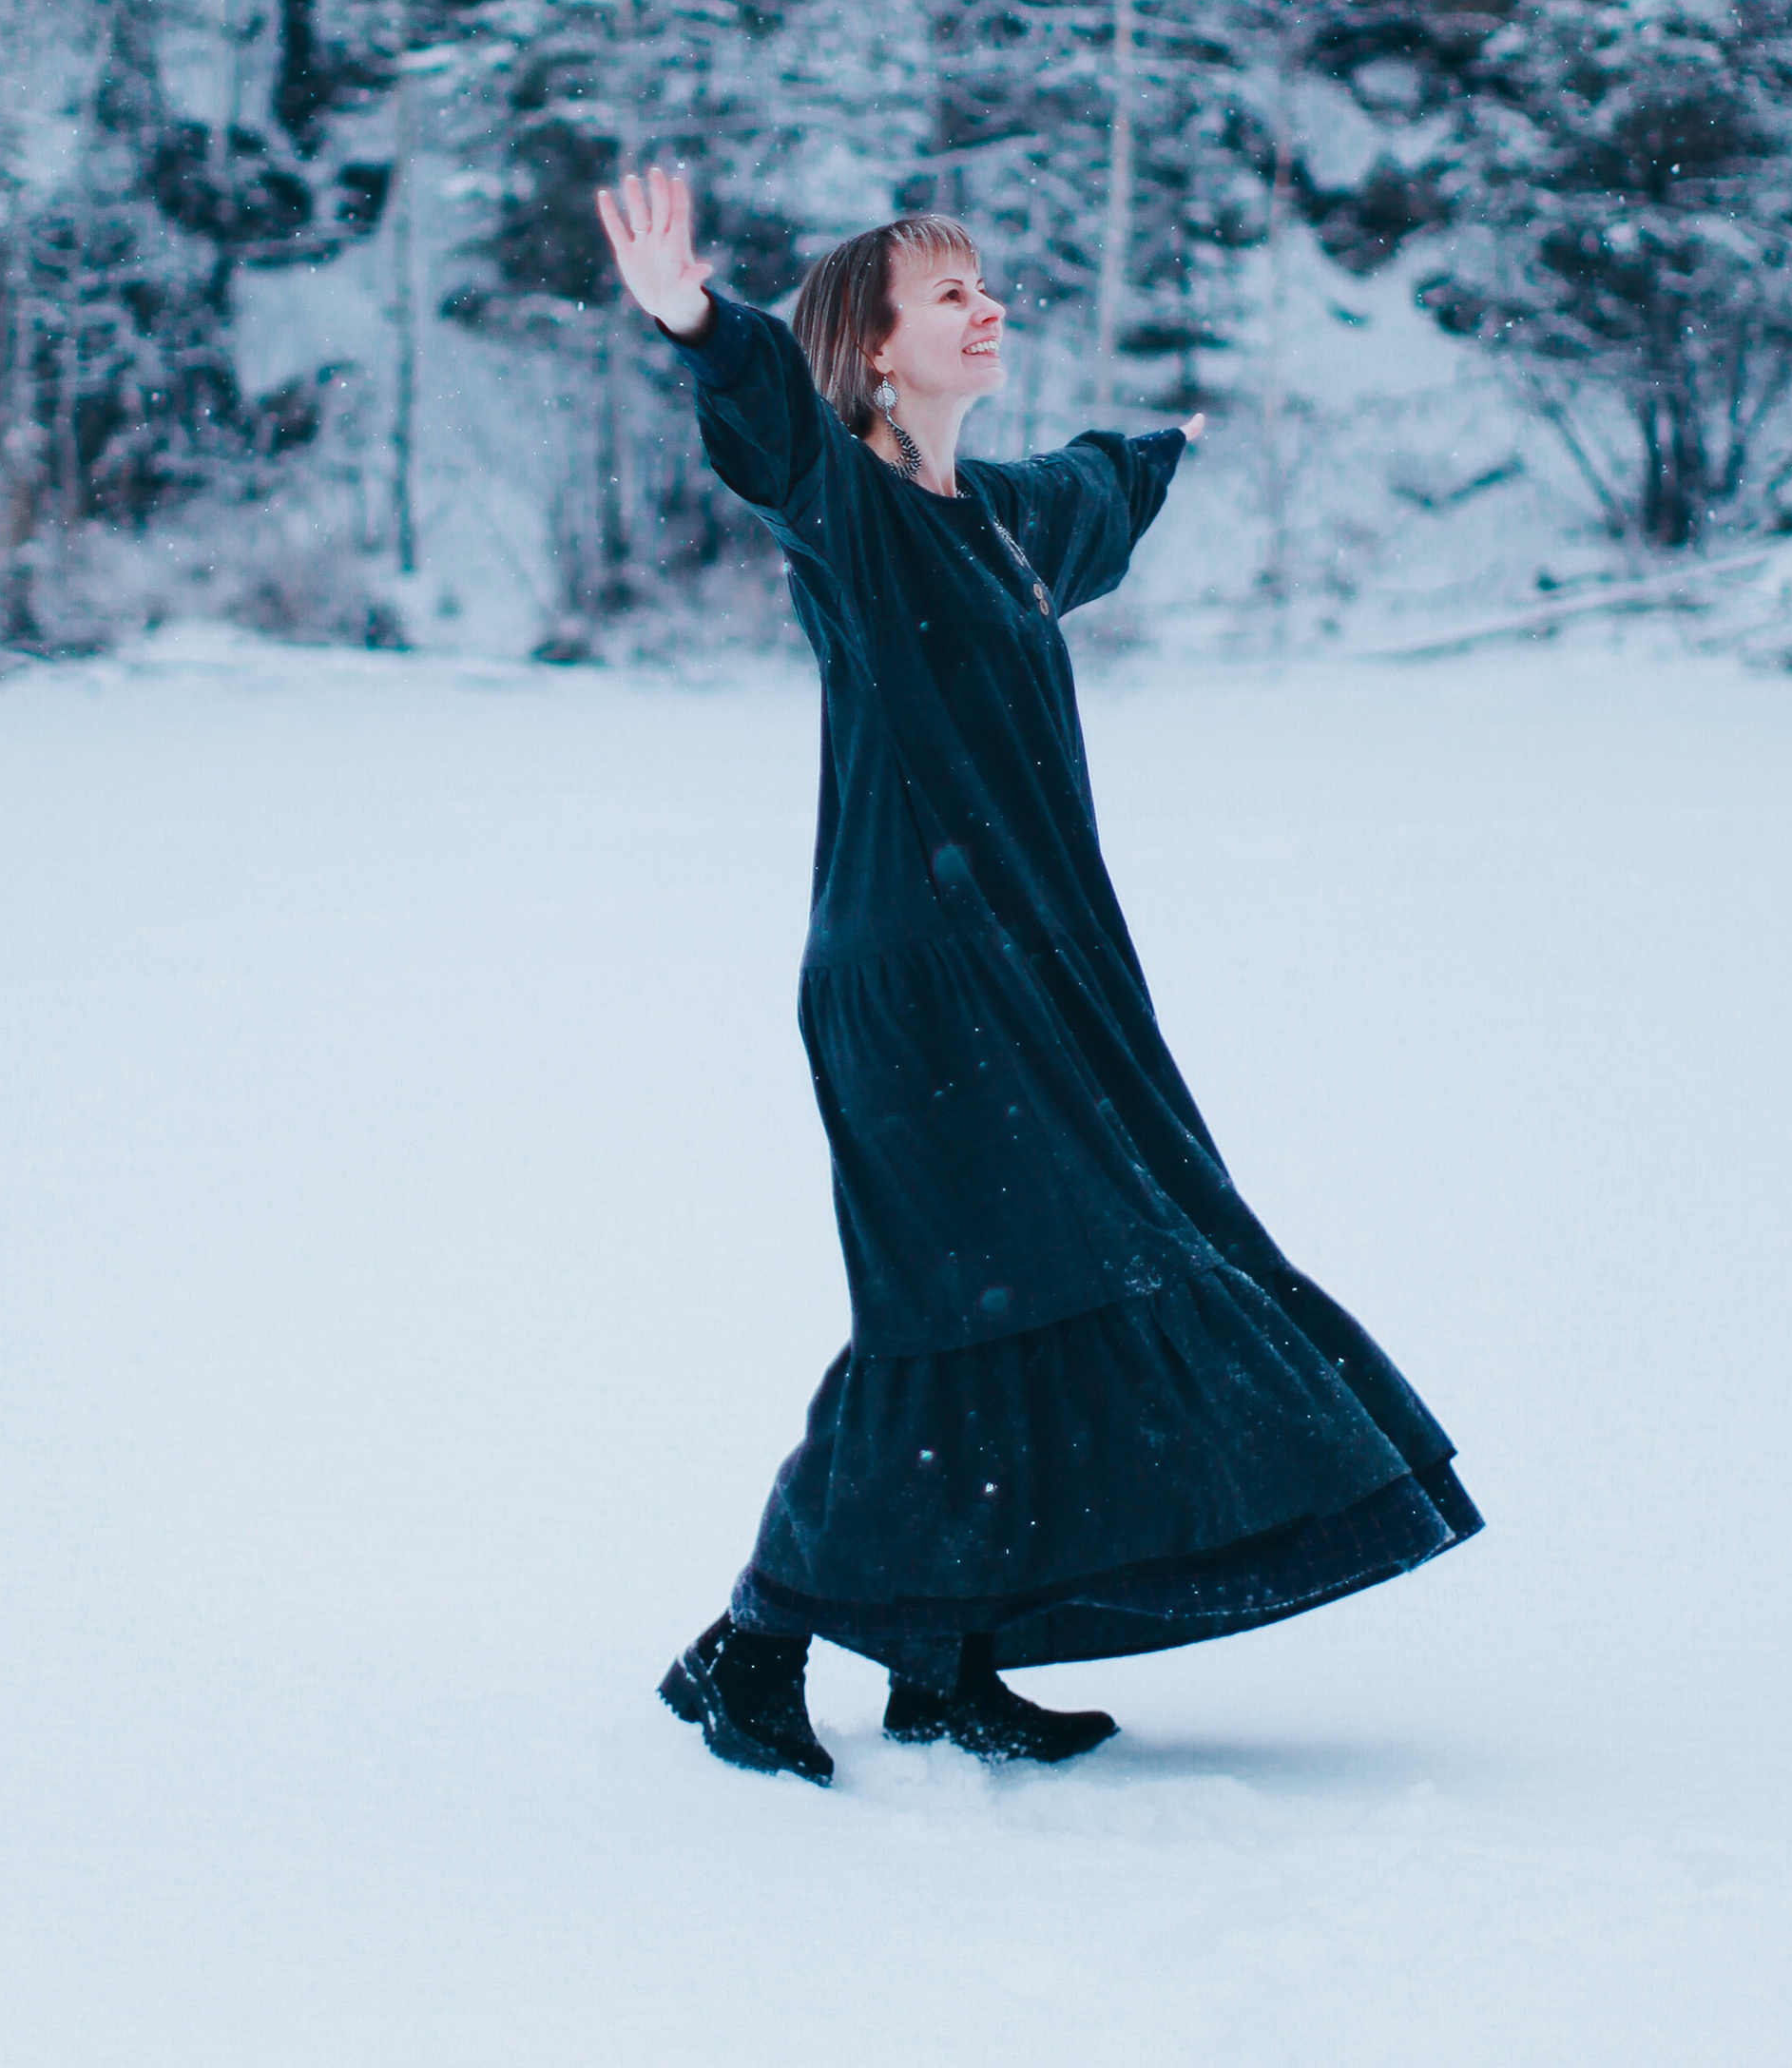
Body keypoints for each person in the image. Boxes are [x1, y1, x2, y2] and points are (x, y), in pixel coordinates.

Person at [596, 166, 1480, 1781]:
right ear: (868, 355)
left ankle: (948, 1663)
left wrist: (1167, 450)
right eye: (946, 294)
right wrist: (698, 323)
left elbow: (1094, 486)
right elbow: (763, 431)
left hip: (1051, 974)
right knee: (943, 1316)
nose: (984, 305)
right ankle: (753, 1645)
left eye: (984, 283)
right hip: (918, 975)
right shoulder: (850, 511)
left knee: (1070, 1285)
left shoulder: (999, 522)